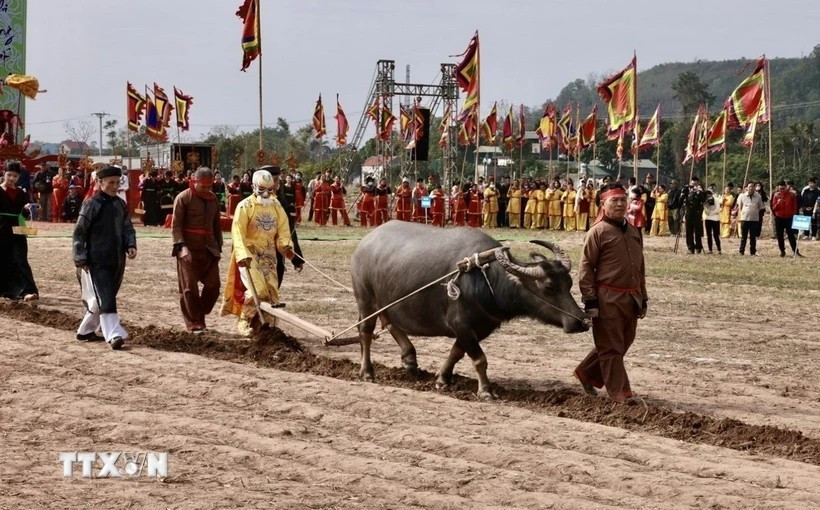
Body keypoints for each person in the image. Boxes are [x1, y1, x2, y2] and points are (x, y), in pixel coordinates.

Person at [575, 183, 647, 401]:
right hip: (607, 298)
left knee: (622, 343)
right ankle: (621, 393)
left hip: (631, 297)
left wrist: (643, 298)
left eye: (622, 199)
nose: (619, 204)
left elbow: (640, 267)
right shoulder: (597, 232)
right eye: (613, 200)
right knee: (611, 348)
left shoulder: (634, 230)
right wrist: (590, 301)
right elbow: (585, 268)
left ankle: (587, 372)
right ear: (603, 204)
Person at [220, 168, 295, 336]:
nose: (266, 194)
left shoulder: (277, 206)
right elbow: (237, 232)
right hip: (249, 255)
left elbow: (283, 231)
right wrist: (242, 255)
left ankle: (268, 326)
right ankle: (244, 319)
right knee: (258, 290)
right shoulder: (244, 206)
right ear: (254, 187)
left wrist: (286, 246)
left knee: (272, 292)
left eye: (270, 190)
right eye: (262, 190)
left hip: (269, 256)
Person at [72, 166, 137, 349]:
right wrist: (80, 258)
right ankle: (114, 335)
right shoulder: (91, 204)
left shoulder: (120, 204)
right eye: (110, 182)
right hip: (96, 259)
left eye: (117, 183)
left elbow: (127, 228)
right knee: (106, 296)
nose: (114, 186)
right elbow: (79, 233)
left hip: (116, 258)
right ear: (99, 183)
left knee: (104, 296)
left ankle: (85, 330)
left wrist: (131, 245)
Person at [171, 167, 223, 334]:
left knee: (214, 286)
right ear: (194, 182)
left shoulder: (213, 199)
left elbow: (217, 226)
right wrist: (182, 247)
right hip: (188, 250)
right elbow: (176, 226)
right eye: (203, 186)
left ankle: (200, 312)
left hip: (209, 250)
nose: (207, 190)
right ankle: (194, 323)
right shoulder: (183, 198)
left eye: (210, 186)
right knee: (189, 288)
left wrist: (218, 247)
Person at [0, 161, 38, 301]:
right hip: (1, 229)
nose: (11, 178)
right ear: (4, 173)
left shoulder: (22, 193)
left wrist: (26, 209)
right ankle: (6, 290)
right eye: (9, 175)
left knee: (20, 259)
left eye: (15, 176)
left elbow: (23, 214)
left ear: (19, 177)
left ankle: (27, 291)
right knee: (3, 259)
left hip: (18, 229)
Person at [771, 180, 800, 257]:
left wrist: (793, 214)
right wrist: (778, 203)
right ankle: (782, 251)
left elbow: (795, 206)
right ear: (778, 187)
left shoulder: (791, 194)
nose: (781, 188)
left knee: (791, 235)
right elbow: (773, 208)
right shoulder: (776, 195)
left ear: (785, 186)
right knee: (780, 236)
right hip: (779, 217)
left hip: (789, 217)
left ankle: (795, 251)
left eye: (783, 187)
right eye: (780, 187)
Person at [737, 181, 764, 256]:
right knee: (743, 237)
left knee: (753, 237)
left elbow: (760, 207)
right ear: (746, 188)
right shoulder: (742, 196)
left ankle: (753, 252)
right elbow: (740, 207)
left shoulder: (758, 196)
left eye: (752, 186)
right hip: (744, 219)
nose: (751, 188)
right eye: (749, 186)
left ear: (754, 188)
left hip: (754, 219)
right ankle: (741, 251)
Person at [682, 177, 706, 254]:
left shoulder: (700, 191)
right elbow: (682, 200)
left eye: (695, 184)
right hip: (689, 214)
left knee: (697, 232)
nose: (693, 186)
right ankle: (690, 247)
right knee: (689, 232)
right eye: (692, 184)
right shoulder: (688, 191)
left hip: (697, 214)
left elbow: (703, 199)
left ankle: (698, 247)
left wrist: (699, 191)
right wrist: (685, 191)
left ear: (698, 183)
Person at [702, 189, 721, 254]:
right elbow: (705, 209)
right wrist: (707, 212)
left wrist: (711, 213)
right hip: (708, 219)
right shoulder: (705, 201)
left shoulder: (716, 200)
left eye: (708, 195)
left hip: (715, 219)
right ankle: (710, 249)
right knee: (708, 235)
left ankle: (719, 249)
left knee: (716, 235)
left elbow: (717, 209)